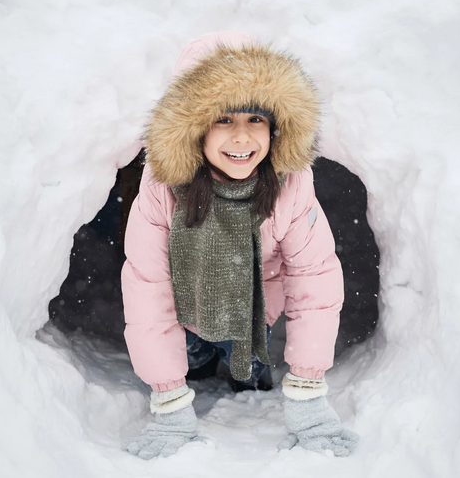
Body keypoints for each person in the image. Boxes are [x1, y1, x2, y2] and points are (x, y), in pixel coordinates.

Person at [120, 31, 358, 459]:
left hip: (252, 313)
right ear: (193, 129)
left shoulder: (290, 187)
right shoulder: (162, 190)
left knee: (247, 369)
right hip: (185, 307)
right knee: (190, 362)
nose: (242, 138)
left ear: (275, 127)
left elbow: (315, 279)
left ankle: (238, 362)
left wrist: (307, 393)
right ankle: (197, 358)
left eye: (255, 120)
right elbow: (147, 289)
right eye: (224, 120)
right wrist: (169, 399)